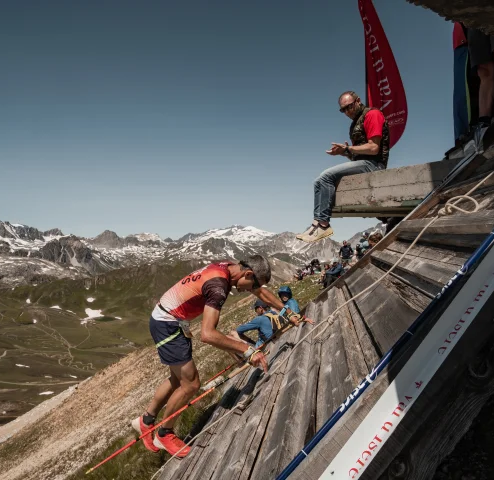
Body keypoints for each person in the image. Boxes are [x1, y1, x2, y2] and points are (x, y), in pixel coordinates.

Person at [132, 255, 310, 458]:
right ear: (248, 273)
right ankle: (164, 434)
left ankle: (146, 421)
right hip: (168, 323)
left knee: (177, 379)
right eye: (251, 284)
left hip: (167, 318)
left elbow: (261, 291)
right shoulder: (218, 286)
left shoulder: (229, 268)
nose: (248, 291)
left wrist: (286, 311)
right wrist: (247, 349)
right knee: (190, 384)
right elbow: (207, 334)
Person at [297, 91, 389, 243]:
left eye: (349, 107)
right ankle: (316, 224)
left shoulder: (372, 115)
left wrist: (348, 149)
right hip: (363, 163)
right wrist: (344, 153)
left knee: (326, 177)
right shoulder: (355, 123)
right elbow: (357, 155)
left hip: (374, 165)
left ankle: (323, 225)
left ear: (358, 101)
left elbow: (373, 148)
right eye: (343, 110)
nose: (347, 112)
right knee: (318, 181)